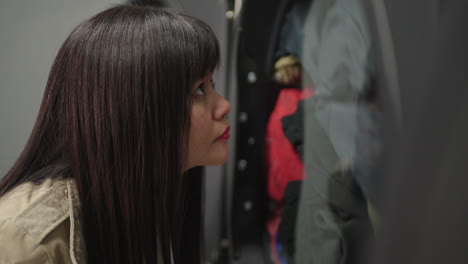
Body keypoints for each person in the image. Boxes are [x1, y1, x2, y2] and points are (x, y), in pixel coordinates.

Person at [0, 5, 230, 264]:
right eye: (200, 89)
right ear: (134, 107)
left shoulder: (140, 197)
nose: (224, 106)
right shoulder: (23, 240)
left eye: (211, 84)